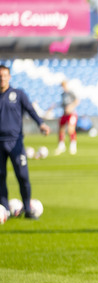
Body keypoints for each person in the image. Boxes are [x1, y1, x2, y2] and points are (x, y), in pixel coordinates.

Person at [0, 64, 51, 218]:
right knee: (0, 176)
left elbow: (30, 110)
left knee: (22, 176)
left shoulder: (18, 94)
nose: (2, 78)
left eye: (4, 75)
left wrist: (41, 123)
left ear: (9, 77)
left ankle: (28, 208)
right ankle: (4, 210)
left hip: (15, 142)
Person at [55, 80, 79, 155]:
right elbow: (63, 104)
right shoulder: (63, 94)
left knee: (70, 129)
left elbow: (77, 100)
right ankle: (61, 145)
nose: (63, 87)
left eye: (64, 85)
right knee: (61, 129)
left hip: (72, 114)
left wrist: (71, 107)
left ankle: (73, 146)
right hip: (65, 114)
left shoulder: (70, 93)